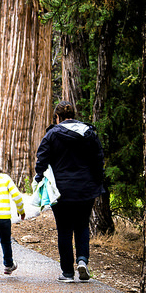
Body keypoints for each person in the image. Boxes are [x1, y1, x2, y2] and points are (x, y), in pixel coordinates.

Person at [34, 101, 105, 283]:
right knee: (82, 226)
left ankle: (67, 273)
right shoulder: (89, 133)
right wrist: (97, 182)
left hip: (61, 190)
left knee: (64, 230)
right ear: (73, 114)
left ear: (57, 118)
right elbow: (98, 160)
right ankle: (82, 260)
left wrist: (39, 177)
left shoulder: (51, 135)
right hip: (85, 189)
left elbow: (41, 158)